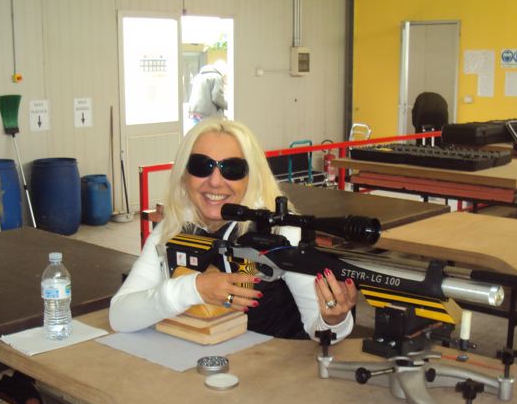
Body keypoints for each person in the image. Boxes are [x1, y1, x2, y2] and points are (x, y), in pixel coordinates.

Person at [109, 119, 358, 341]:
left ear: (252, 176)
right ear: (184, 174)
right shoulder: (172, 227)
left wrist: (334, 319)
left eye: (232, 169)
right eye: (202, 166)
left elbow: (321, 329)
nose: (215, 181)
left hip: (271, 368)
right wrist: (194, 288)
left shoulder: (282, 231)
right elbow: (120, 316)